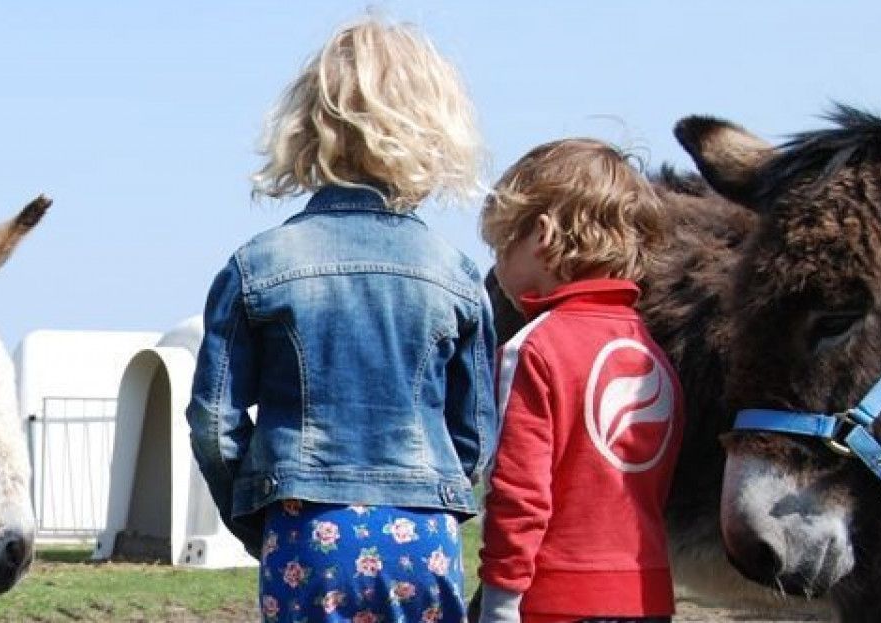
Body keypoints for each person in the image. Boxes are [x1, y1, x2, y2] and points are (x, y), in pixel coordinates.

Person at [186, 15, 496, 623]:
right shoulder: (454, 273)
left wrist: (258, 508)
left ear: (308, 124)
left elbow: (212, 423)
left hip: (306, 526)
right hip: (422, 532)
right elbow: (476, 436)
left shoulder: (257, 266)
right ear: (434, 127)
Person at [475, 139, 679, 623]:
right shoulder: (651, 353)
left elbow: (518, 492)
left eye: (503, 245)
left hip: (554, 600)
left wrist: (500, 603)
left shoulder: (534, 348)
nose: (497, 264)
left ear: (541, 235)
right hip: (646, 593)